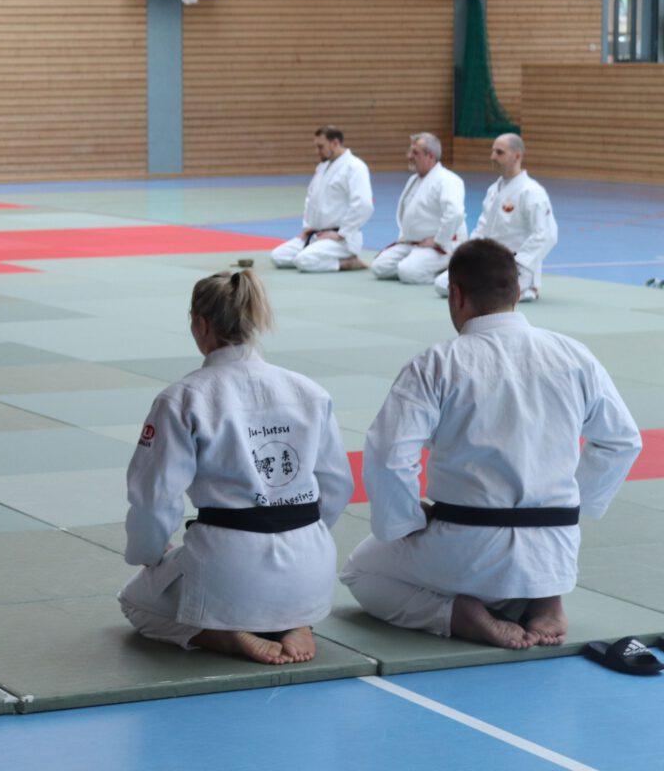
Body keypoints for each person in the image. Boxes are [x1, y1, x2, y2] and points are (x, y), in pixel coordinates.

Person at [342, 240, 641, 649]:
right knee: (523, 563)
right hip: (554, 553)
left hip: (464, 551)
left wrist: (405, 520)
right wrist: (574, 506)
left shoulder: (437, 363)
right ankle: (544, 599)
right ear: (517, 292)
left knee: (360, 571)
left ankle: (455, 615)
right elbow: (622, 441)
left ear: (456, 295)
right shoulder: (574, 355)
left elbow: (389, 454)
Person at [117, 269, 352, 665]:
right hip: (311, 565)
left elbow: (154, 496)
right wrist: (297, 537)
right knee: (278, 576)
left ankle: (221, 634)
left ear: (200, 324)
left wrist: (150, 551)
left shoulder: (183, 398)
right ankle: (295, 621)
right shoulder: (309, 391)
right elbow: (338, 485)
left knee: (134, 601)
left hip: (229, 565)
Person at [433, 133, 557, 303]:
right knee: (443, 284)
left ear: (517, 156)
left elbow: (546, 235)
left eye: (499, 153)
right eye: (493, 152)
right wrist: (469, 253)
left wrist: (519, 262)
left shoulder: (532, 192)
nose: (493, 157)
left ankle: (528, 288)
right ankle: (508, 290)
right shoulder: (493, 190)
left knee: (485, 294)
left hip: (516, 265)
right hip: (488, 261)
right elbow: (482, 229)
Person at [270, 125, 373, 273]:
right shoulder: (322, 167)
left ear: (335, 143)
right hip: (317, 235)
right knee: (278, 256)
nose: (317, 151)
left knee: (303, 261)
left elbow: (363, 204)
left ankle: (348, 263)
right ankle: (317, 254)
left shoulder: (355, 167)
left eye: (320, 147)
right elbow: (311, 199)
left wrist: (342, 233)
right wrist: (308, 227)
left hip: (340, 239)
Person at [370, 132, 467, 285]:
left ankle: (446, 271)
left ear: (431, 156)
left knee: (407, 272)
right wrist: (405, 235)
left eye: (415, 153)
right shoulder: (414, 180)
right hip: (413, 242)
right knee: (379, 267)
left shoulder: (448, 180)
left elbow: (454, 214)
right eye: (410, 151)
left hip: (442, 244)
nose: (409, 156)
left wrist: (438, 240)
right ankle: (424, 266)